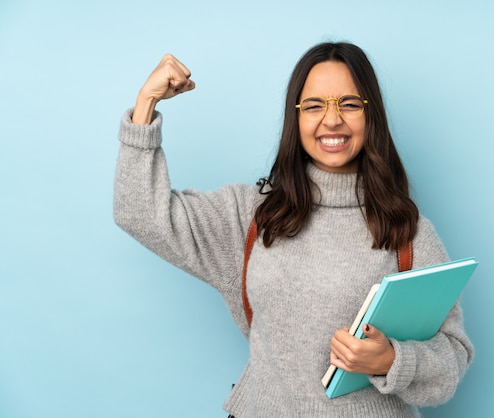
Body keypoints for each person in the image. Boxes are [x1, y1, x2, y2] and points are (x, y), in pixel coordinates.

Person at [114, 42, 473, 418]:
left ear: (371, 115)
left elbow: (451, 356)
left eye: (349, 104)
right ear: (295, 117)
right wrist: (145, 106)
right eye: (315, 105)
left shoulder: (407, 232)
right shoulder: (252, 215)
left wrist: (391, 359)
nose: (332, 120)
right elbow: (140, 213)